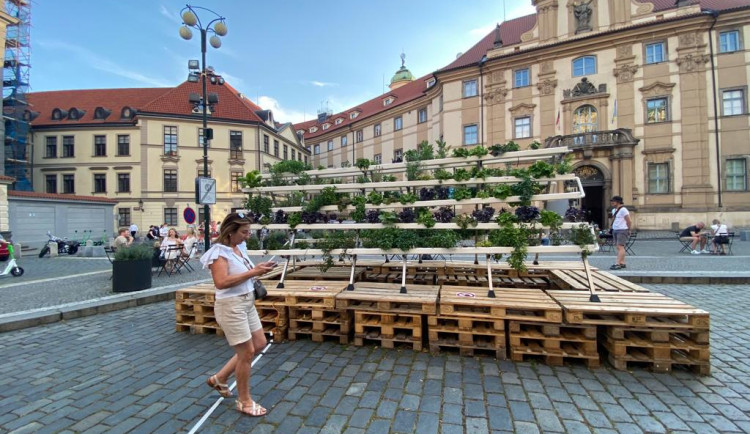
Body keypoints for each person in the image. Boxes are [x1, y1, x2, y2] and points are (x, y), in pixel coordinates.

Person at [200, 212, 276, 417]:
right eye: (244, 231)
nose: (247, 235)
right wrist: (253, 272)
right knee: (246, 353)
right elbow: (221, 282)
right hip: (231, 306)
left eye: (248, 231)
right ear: (230, 232)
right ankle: (244, 401)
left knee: (259, 343)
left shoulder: (237, 249)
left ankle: (219, 378)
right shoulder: (218, 252)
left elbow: (244, 275)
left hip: (246, 302)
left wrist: (259, 270)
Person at [609, 196, 631, 270]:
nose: (612, 202)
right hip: (615, 229)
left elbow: (628, 221)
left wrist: (629, 229)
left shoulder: (623, 210)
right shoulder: (614, 210)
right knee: (619, 247)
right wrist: (611, 227)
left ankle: (617, 263)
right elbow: (614, 219)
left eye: (613, 201)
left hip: (622, 230)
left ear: (618, 202)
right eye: (611, 201)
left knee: (620, 247)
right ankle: (622, 262)